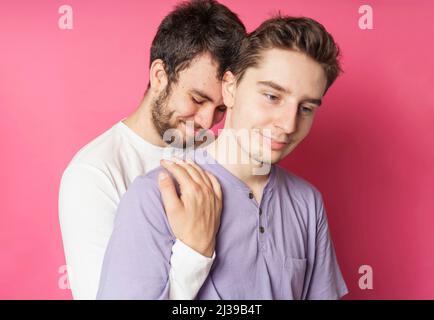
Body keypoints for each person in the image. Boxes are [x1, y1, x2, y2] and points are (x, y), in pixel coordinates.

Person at [97, 16, 348, 300]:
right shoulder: (155, 196)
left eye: (305, 108)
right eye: (271, 96)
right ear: (230, 88)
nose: (289, 124)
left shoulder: (308, 203)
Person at [58, 0, 246, 300]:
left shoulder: (218, 151)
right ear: (160, 75)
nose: (208, 122)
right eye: (197, 99)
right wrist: (195, 251)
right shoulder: (93, 174)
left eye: (221, 108)